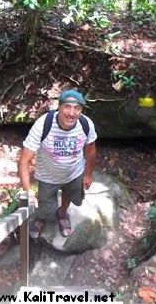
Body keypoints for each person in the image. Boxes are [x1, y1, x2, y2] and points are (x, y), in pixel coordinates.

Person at [18, 89, 98, 238]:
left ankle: (62, 214)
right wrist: (27, 191)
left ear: (81, 110)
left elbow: (91, 151)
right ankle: (41, 218)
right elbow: (24, 160)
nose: (72, 113)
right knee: (46, 206)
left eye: (77, 108)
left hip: (74, 173)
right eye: (67, 107)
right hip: (48, 176)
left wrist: (88, 174)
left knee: (70, 195)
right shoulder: (44, 124)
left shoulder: (86, 124)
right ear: (59, 107)